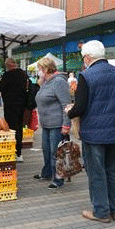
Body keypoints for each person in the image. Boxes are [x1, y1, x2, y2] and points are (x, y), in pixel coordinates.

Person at [66, 40, 115, 223]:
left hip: (93, 134)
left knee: (97, 172)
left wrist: (69, 112)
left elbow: (79, 107)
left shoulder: (86, 76)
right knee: (113, 171)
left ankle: (101, 212)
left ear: (87, 57)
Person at [33, 57, 71, 189]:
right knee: (46, 150)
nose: (38, 71)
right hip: (47, 124)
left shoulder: (59, 82)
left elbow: (66, 104)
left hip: (57, 124)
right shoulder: (46, 82)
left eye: (40, 69)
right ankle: (47, 172)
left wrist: (66, 125)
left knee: (56, 153)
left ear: (46, 69)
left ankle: (58, 179)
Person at [0, 58, 26, 162]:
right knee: (19, 128)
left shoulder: (7, 75)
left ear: (9, 65)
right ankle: (19, 153)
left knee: (11, 128)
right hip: (22, 105)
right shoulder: (23, 74)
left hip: (10, 105)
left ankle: (13, 151)